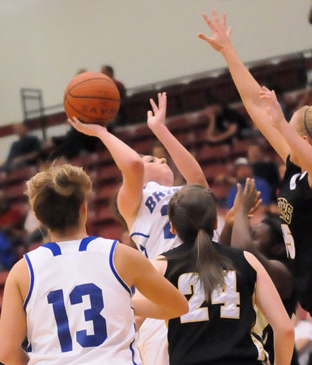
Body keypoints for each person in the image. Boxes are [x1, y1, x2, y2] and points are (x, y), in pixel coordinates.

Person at [199, 9, 312, 364]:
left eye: (291, 128)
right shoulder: (299, 167)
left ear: (307, 142)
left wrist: (282, 125)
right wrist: (228, 52)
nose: (281, 127)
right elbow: (254, 104)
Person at [0, 163, 188, 365]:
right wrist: (124, 306)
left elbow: (6, 352)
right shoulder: (120, 255)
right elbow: (178, 306)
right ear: (84, 208)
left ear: (38, 217)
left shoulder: (22, 271)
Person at [68, 92, 208, 365]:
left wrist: (161, 130)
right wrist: (100, 132)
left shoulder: (185, 192)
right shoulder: (134, 201)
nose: (163, 160)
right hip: (167, 295)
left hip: (205, 287)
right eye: (151, 160)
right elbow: (131, 164)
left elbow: (199, 178)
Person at [133, 185, 294, 365]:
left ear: (172, 227)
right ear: (216, 222)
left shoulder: (161, 266)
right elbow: (285, 330)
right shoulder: (247, 260)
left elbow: (133, 314)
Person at [226, 180, 298, 364]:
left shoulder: (284, 273)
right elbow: (224, 253)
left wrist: (242, 211)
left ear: (278, 247)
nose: (248, 237)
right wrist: (230, 223)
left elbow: (243, 251)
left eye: (255, 237)